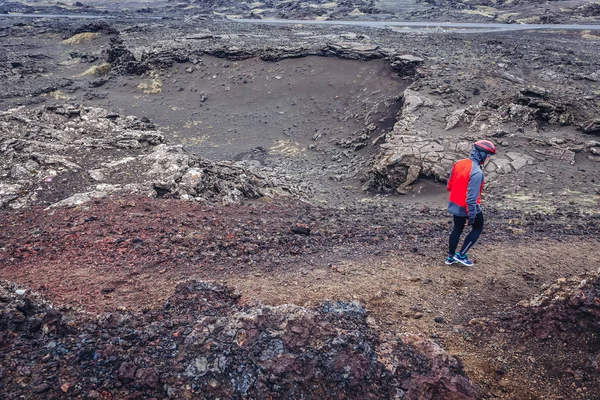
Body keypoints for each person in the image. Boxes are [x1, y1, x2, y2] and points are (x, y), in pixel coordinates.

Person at [445, 140, 496, 266]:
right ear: (482, 154)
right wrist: (472, 216)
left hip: (455, 205)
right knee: (477, 228)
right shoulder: (477, 173)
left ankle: (450, 257)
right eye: (488, 155)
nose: (488, 158)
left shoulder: (458, 163)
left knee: (457, 229)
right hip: (468, 207)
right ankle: (461, 255)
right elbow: (471, 199)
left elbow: (449, 185)